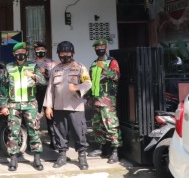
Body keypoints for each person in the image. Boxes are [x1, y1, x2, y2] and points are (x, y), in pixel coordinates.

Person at [44, 41, 92, 170]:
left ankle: (82, 157)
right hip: (59, 107)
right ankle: (62, 156)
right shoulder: (55, 69)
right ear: (59, 54)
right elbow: (50, 89)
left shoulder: (80, 67)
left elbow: (88, 83)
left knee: (79, 132)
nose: (65, 55)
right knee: (60, 133)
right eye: (62, 53)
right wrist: (48, 106)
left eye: (67, 52)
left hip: (75, 108)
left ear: (72, 53)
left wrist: (77, 87)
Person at [0, 42, 46, 172]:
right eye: (17, 52)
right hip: (13, 104)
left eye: (23, 52)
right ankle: (13, 159)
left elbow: (43, 81)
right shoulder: (9, 67)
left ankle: (37, 158)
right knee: (13, 131)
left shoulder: (33, 66)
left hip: (30, 103)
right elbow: (4, 87)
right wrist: (3, 105)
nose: (20, 54)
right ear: (14, 54)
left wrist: (33, 75)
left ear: (26, 53)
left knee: (34, 131)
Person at [87, 38, 122, 163]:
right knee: (97, 125)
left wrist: (105, 69)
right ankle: (100, 147)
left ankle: (115, 151)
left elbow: (117, 77)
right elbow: (92, 82)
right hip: (96, 99)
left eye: (102, 47)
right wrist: (90, 97)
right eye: (97, 47)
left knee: (111, 125)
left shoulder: (111, 61)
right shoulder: (93, 64)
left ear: (105, 47)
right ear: (95, 49)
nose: (99, 49)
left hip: (108, 100)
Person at [32, 41, 57, 149]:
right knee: (35, 116)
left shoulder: (52, 63)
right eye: (38, 49)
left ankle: (54, 140)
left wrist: (45, 72)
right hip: (35, 91)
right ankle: (34, 142)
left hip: (48, 91)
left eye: (42, 49)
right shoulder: (30, 63)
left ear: (46, 50)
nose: (40, 51)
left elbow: (56, 76)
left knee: (50, 116)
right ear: (34, 51)